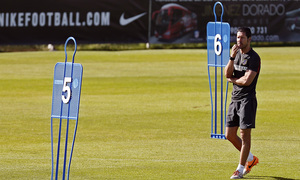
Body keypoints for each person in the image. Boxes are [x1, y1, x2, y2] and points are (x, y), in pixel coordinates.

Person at [224, 27, 261, 179]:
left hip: (247, 100)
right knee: (229, 135)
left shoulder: (254, 58)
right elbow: (226, 73)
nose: (238, 41)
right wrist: (232, 57)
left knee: (244, 136)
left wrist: (233, 80)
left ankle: (240, 169)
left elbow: (247, 81)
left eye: (242, 38)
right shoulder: (236, 54)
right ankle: (251, 159)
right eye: (237, 38)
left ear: (249, 39)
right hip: (235, 99)